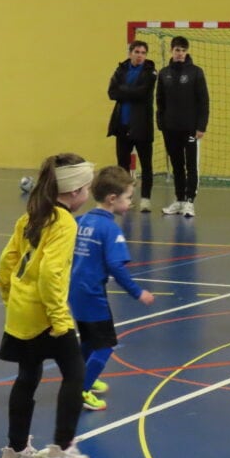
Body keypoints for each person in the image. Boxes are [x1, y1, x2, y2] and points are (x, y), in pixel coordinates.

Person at [0, 154, 94, 458]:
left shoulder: (31, 216)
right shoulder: (64, 222)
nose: (88, 193)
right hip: (46, 315)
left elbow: (7, 263)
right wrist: (59, 319)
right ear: (75, 190)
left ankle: (15, 451)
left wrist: (11, 298)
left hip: (21, 312)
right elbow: (51, 273)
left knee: (28, 376)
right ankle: (62, 448)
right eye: (87, 188)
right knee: (75, 373)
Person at [70, 166, 155, 410]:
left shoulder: (81, 221)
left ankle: (79, 379)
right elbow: (116, 266)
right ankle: (81, 390)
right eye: (128, 197)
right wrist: (137, 292)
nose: (130, 203)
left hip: (75, 291)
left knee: (89, 341)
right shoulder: (110, 229)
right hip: (92, 295)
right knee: (105, 346)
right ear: (112, 198)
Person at [156, 35, 210, 218]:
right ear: (171, 50)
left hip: (190, 129)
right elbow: (160, 100)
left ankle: (189, 202)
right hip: (170, 129)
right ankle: (179, 200)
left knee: (191, 165)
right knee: (177, 165)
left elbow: (204, 101)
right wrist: (161, 123)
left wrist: (201, 126)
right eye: (177, 50)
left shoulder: (196, 72)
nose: (180, 53)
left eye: (183, 50)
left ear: (187, 52)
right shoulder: (164, 73)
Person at [107, 40, 158, 212]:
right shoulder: (121, 70)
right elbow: (112, 92)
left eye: (143, 53)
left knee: (146, 165)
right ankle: (125, 198)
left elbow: (143, 94)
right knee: (123, 166)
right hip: (122, 124)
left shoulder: (151, 72)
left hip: (142, 126)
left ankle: (145, 199)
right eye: (137, 52)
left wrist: (123, 90)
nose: (140, 56)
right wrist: (129, 91)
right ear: (130, 53)